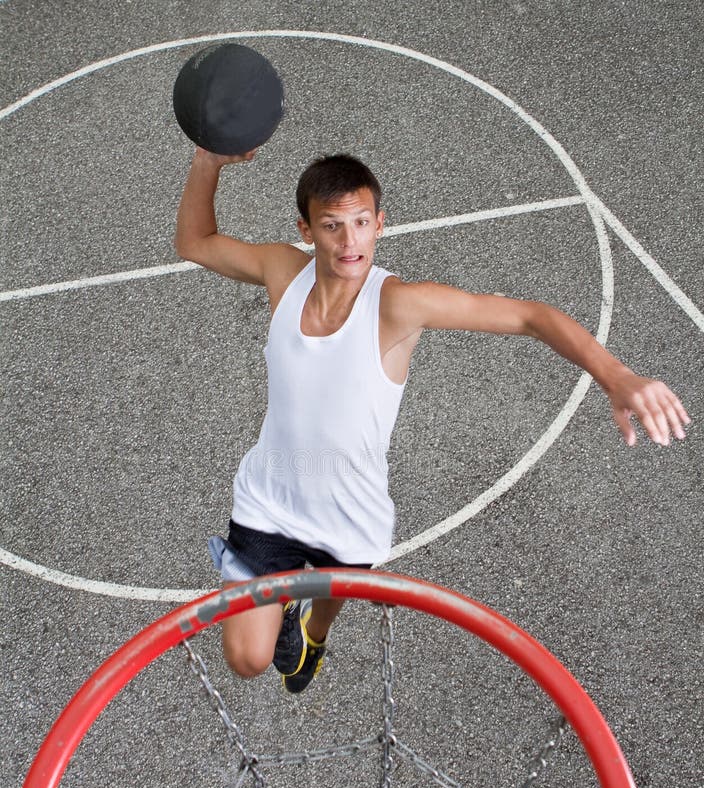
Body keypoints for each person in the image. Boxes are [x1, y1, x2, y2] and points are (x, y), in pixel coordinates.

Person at [175, 150, 690, 694]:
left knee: (327, 599)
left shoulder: (398, 305)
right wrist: (207, 161)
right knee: (249, 660)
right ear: (306, 229)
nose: (349, 242)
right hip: (270, 500)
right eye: (331, 226)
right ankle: (284, 618)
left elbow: (530, 316)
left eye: (361, 223)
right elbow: (194, 242)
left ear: (380, 224)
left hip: (351, 509)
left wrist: (616, 377)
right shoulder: (282, 271)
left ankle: (312, 633)